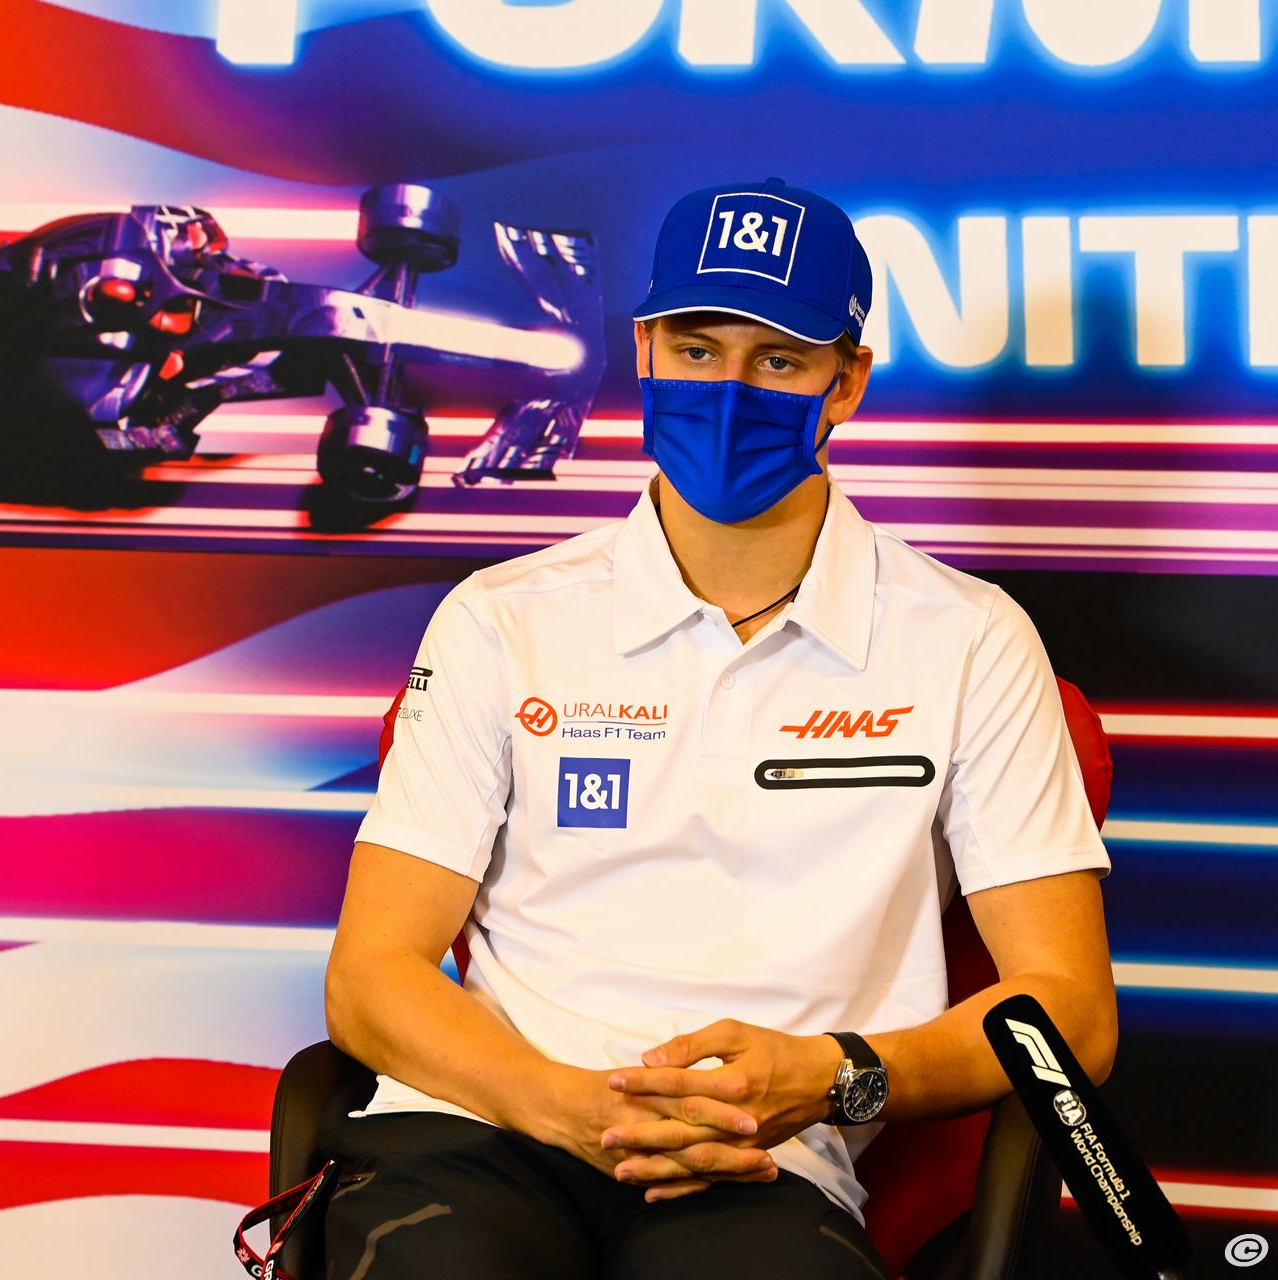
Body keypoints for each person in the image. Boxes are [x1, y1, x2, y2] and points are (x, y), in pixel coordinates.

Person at [319, 179, 1116, 1279]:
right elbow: (371, 974)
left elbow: (1071, 1010)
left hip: (763, 1158)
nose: (730, 390)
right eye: (698, 349)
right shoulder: (500, 617)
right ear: (644, 349)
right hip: (484, 1127)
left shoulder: (971, 638)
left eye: (778, 359)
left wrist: (837, 1076)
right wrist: (565, 1102)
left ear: (847, 382)